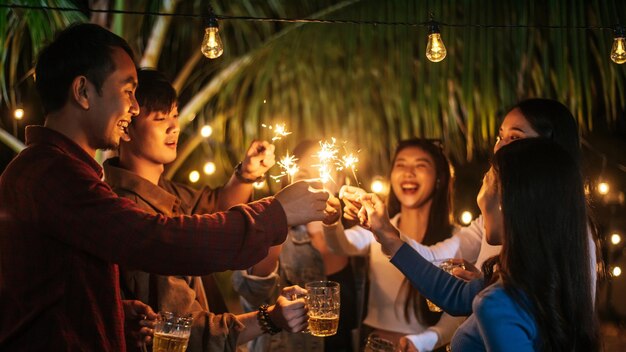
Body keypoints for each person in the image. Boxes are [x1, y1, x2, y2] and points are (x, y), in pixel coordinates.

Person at [0, 23, 331, 351]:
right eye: (128, 91)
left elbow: (59, 291)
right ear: (83, 91)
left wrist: (115, 315)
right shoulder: (52, 175)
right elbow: (156, 239)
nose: (133, 106)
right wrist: (277, 212)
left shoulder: (59, 171)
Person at [104, 69, 310, 351]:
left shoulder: (167, 191)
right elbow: (183, 328)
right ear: (126, 127)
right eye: (160, 119)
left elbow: (217, 211)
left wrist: (245, 175)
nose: (174, 127)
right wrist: (270, 318)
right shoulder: (132, 212)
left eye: (175, 115)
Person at [340, 98, 597, 313]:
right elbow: (440, 267)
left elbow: (562, 319)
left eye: (515, 138)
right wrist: (385, 231)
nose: (499, 147)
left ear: (548, 151)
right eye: (500, 136)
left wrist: (489, 299)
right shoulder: (491, 220)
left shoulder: (568, 229)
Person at [360, 139, 599, 351]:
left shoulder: (498, 303)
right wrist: (388, 235)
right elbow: (454, 296)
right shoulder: (548, 281)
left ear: (507, 202)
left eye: (486, 181)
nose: (479, 197)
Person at [323, 139, 464, 351]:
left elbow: (461, 311)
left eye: (420, 165)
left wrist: (423, 341)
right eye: (401, 165)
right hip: (375, 345)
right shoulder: (376, 228)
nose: (408, 173)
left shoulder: (459, 238)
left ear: (439, 179)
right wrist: (331, 221)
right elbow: (341, 246)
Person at [232, 140, 357, 352]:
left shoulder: (357, 238)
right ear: (289, 180)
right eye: (303, 175)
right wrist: (282, 218)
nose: (312, 182)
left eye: (321, 171)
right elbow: (252, 292)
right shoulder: (270, 232)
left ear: (340, 180)